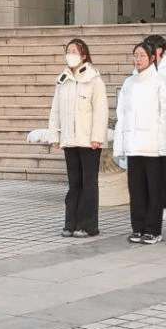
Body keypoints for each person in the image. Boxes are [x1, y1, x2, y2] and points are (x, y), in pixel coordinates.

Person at [114, 41, 166, 245]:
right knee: (136, 190)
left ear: (152, 58)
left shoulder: (161, 82)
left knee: (154, 190)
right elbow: (122, 115)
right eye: (136, 55)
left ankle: (153, 230)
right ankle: (138, 228)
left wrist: (164, 146)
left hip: (154, 148)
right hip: (134, 147)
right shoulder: (128, 83)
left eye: (142, 56)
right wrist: (121, 145)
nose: (138, 59)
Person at [49, 38, 108, 238]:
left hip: (89, 141)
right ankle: (70, 223)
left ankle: (87, 225)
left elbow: (101, 110)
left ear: (83, 55)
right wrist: (55, 135)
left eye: (74, 51)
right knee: (74, 184)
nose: (70, 55)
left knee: (88, 184)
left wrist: (97, 137)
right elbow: (56, 110)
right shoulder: (63, 80)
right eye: (68, 51)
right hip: (70, 140)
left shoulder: (94, 78)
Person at [145, 34, 166, 223]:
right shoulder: (140, 68)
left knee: (164, 168)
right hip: (147, 126)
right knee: (149, 168)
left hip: (164, 126)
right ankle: (151, 202)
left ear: (160, 50)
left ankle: (165, 205)